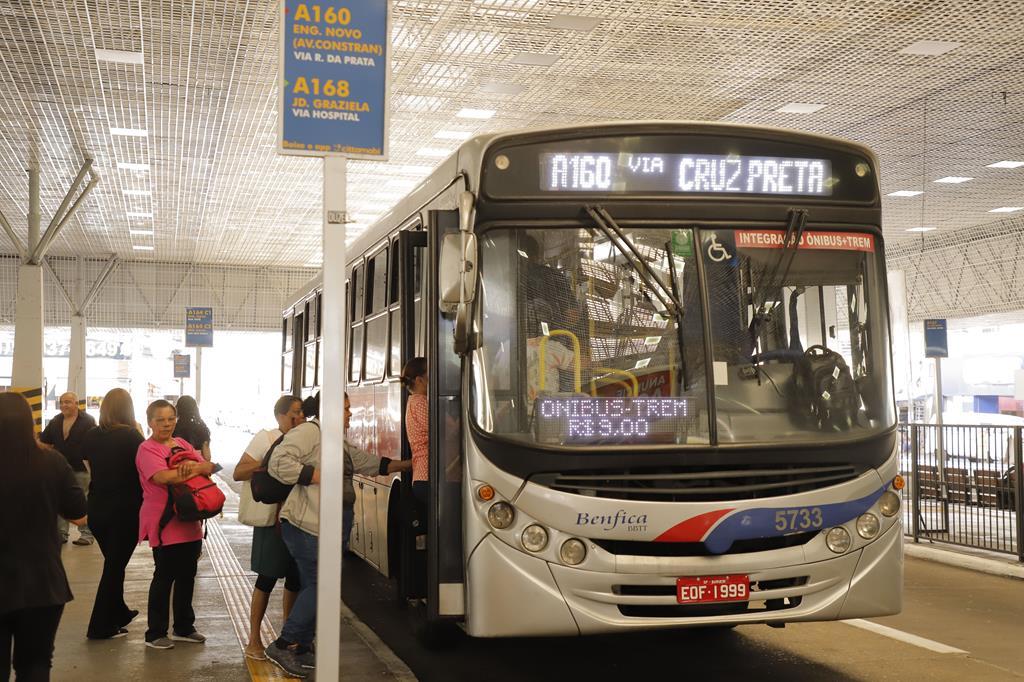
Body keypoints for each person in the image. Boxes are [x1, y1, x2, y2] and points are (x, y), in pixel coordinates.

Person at [0, 392, 87, 680]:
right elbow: (79, 513)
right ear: (30, 423)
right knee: (35, 665)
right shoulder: (52, 462)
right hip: (42, 583)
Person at [137, 399, 217, 650]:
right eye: (160, 420)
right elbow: (163, 477)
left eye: (171, 419)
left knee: (187, 575)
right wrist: (197, 467)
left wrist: (195, 468)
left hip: (190, 518)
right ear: (150, 422)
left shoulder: (181, 443)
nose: (166, 424)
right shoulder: (146, 449)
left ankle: (183, 627)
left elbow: (210, 466)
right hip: (165, 521)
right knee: (164, 576)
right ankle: (155, 633)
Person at [232, 395, 305, 660]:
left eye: (302, 413)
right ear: (280, 416)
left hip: (300, 521)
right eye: (294, 413)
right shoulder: (265, 438)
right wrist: (271, 462)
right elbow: (239, 472)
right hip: (271, 522)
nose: (300, 418)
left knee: (295, 581)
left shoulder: (307, 441)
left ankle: (289, 637)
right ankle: (254, 640)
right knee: (266, 579)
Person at [264, 393, 322, 678]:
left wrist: (392, 466)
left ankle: (302, 647)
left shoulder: (329, 435)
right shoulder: (311, 432)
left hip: (306, 523)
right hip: (301, 523)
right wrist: (314, 475)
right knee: (319, 583)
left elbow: (358, 460)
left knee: (312, 583)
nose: (351, 414)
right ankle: (284, 644)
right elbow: (278, 464)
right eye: (346, 408)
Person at [81, 388, 145, 640]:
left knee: (114, 564)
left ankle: (119, 612)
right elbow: (143, 470)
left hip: (97, 509)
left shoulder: (91, 435)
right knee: (114, 568)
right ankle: (99, 627)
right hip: (125, 511)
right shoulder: (132, 436)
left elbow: (90, 469)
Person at [343, 393, 410, 554]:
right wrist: (411, 464)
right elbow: (368, 463)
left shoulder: (335, 440)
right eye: (346, 409)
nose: (351, 413)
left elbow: (368, 463)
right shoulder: (321, 439)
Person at [40, 391, 96, 545]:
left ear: (77, 404)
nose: (64, 405)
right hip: (60, 469)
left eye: (68, 402)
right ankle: (61, 533)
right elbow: (45, 442)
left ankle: (87, 534)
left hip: (81, 469)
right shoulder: (55, 421)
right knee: (58, 499)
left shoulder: (88, 421)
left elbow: (94, 444)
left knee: (83, 500)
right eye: (62, 402)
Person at [401, 358, 429, 507]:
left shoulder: (414, 402)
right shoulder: (420, 403)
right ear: (419, 380)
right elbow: (447, 432)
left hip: (421, 477)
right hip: (427, 476)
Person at [173, 395, 212, 462]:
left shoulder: (173, 429)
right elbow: (207, 457)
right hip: (198, 467)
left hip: (178, 467)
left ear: (178, 409)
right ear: (195, 409)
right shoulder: (202, 428)